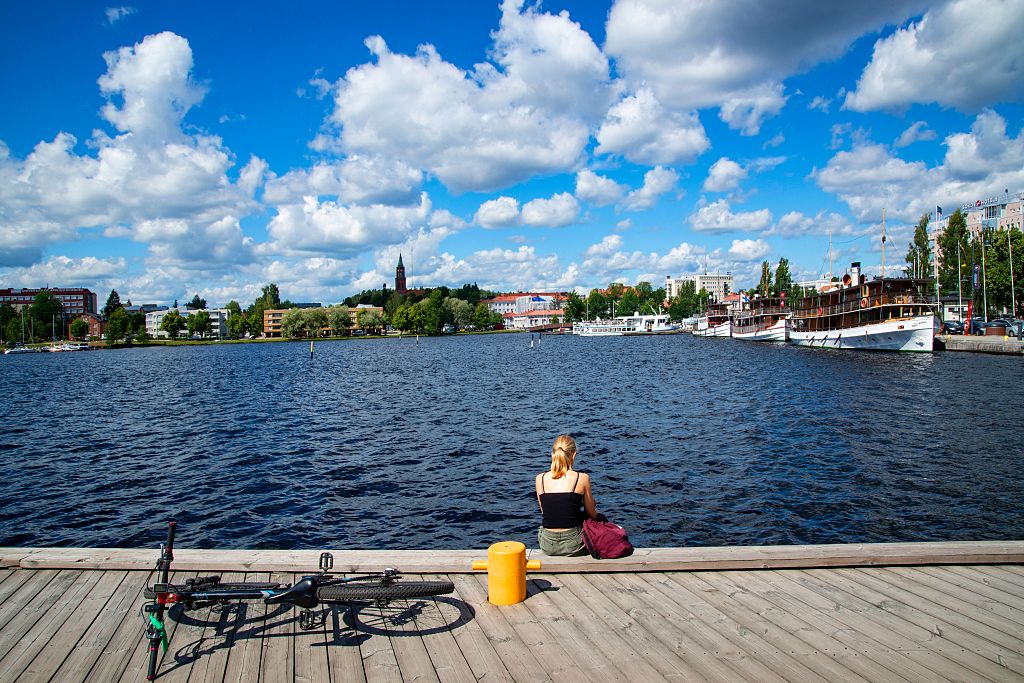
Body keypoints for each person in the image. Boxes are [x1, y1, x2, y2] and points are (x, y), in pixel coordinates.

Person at [535, 434, 598, 556]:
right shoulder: (582, 478)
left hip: (547, 545)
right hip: (574, 545)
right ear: (574, 455)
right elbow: (592, 513)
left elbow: (546, 512)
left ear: (553, 454)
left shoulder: (540, 479)